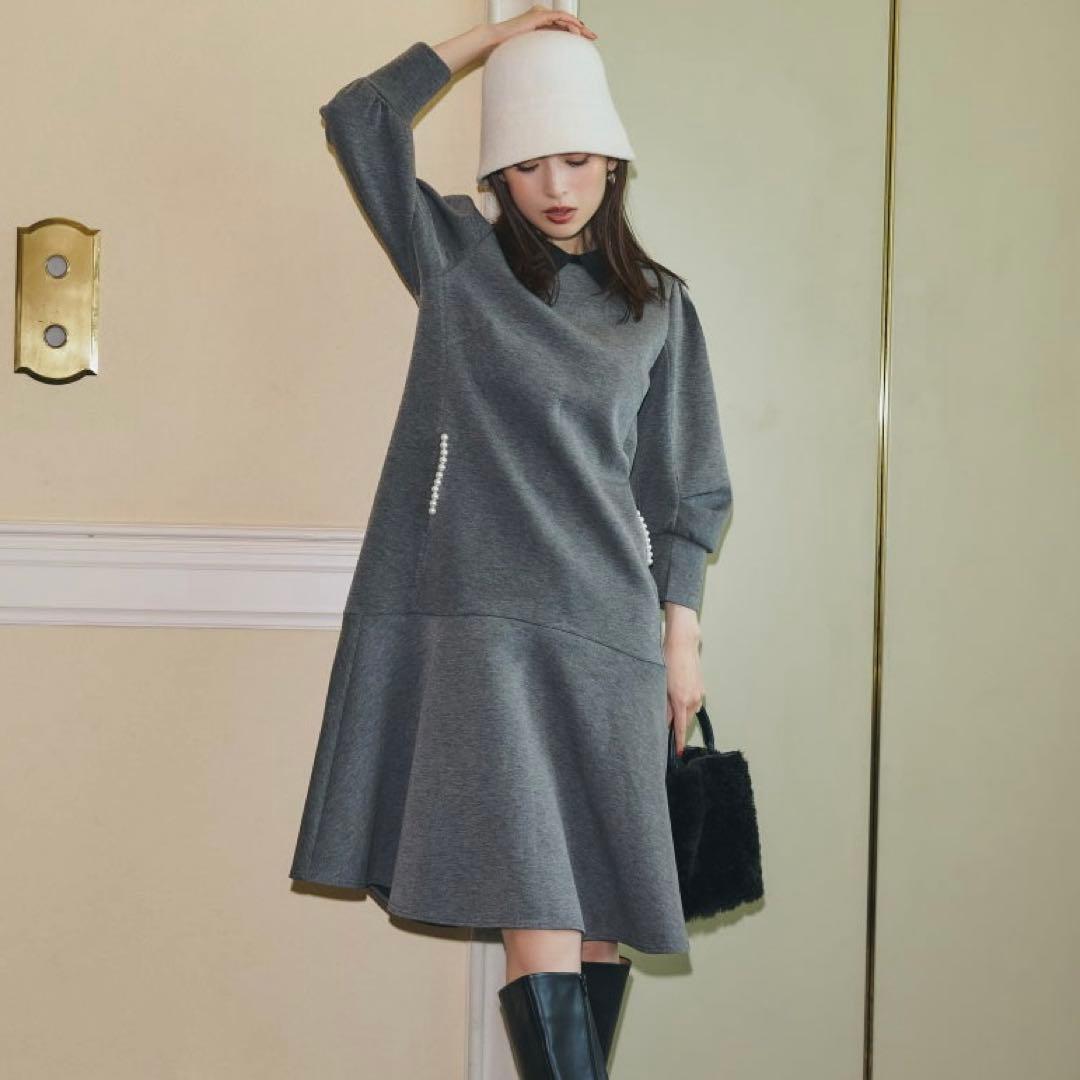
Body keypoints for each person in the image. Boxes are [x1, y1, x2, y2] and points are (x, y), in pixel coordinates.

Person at [289, 7, 734, 1076]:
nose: (555, 186)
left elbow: (685, 488)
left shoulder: (659, 308)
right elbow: (359, 118)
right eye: (526, 164)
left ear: (613, 162)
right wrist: (489, 42)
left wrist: (681, 638)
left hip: (610, 630)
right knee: (540, 897)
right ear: (498, 176)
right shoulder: (457, 259)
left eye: (575, 158)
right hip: (486, 630)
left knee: (601, 914)